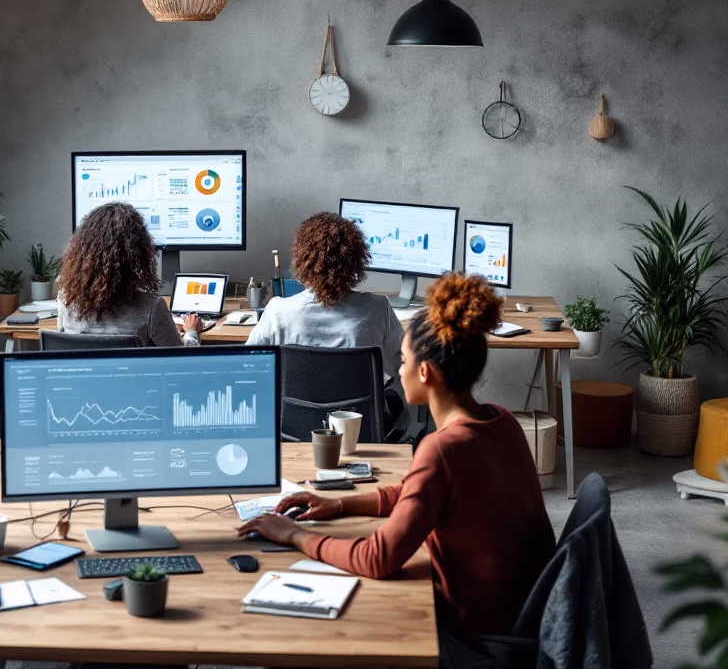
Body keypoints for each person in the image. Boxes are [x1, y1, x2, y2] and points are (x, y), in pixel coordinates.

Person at [237, 272, 556, 651]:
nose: (398, 370)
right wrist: (338, 504)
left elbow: (378, 558)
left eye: (403, 361)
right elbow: (415, 491)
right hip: (520, 617)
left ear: (425, 373)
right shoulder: (501, 421)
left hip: (473, 636)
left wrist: (293, 534)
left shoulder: (442, 449)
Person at [245, 211, 406, 429]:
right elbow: (402, 366)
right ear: (355, 262)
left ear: (303, 261)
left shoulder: (278, 312)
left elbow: (247, 368)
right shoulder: (378, 309)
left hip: (294, 431)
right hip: (360, 431)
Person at [57, 203, 201, 346]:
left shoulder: (66, 300)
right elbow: (181, 359)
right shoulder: (152, 307)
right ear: (138, 253)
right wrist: (191, 332)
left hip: (87, 370)